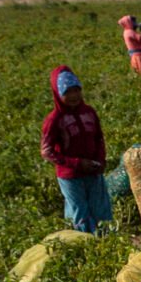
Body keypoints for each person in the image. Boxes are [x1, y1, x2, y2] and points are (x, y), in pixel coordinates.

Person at [39, 66, 110, 233]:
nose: (73, 96)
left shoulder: (89, 112)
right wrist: (77, 163)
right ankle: (86, 244)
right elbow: (47, 152)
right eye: (67, 92)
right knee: (80, 211)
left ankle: (107, 242)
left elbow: (98, 138)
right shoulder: (54, 120)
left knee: (100, 208)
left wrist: (100, 160)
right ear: (58, 94)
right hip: (70, 176)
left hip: (93, 170)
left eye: (76, 90)